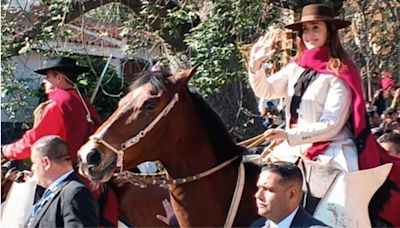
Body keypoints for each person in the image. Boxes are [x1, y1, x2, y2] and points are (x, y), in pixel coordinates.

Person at [248, 4, 400, 226]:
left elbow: (332, 124)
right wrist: (256, 65)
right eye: (306, 30)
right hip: (293, 147)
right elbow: (267, 90)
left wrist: (288, 134)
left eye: (315, 28)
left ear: (329, 31)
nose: (309, 35)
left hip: (332, 150)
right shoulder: (296, 67)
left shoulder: (341, 71)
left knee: (341, 213)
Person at [0, 56, 118, 226]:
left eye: (48, 76)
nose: (44, 81)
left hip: (63, 177)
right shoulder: (85, 104)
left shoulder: (57, 104)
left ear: (59, 77)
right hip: (95, 181)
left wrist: (6, 151)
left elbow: (35, 142)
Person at [25, 135, 99, 227]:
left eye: (34, 163)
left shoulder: (75, 193)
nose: (32, 168)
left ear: (46, 163)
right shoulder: (56, 192)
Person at [251, 161, 327, 228]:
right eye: (259, 188)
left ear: (292, 194)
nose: (257, 195)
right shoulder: (258, 225)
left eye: (269, 190)